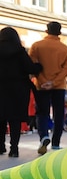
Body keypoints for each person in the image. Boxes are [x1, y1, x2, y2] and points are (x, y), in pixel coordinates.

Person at [29, 21, 67, 155]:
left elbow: (32, 65)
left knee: (42, 112)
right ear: (60, 31)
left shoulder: (36, 46)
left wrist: (43, 81)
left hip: (41, 86)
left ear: (46, 30)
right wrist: (54, 82)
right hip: (59, 86)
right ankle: (56, 143)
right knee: (59, 114)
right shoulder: (65, 49)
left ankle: (44, 136)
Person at [0, 27, 41, 157]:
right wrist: (39, 66)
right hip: (18, 89)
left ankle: (1, 146)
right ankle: (14, 149)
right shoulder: (19, 51)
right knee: (15, 120)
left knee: (1, 118)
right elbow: (29, 68)